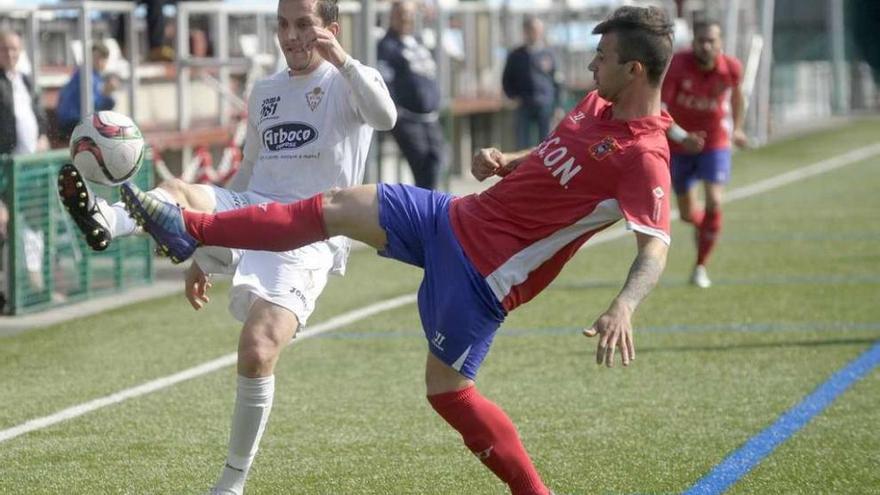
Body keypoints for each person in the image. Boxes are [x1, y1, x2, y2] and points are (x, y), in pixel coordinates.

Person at [122, 6, 674, 493]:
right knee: (333, 205)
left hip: (482, 277)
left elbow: (654, 248)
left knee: (447, 394)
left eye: (602, 58)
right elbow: (558, 149)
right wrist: (509, 159)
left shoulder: (644, 157)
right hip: (450, 217)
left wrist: (623, 305)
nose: (590, 66)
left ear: (635, 70)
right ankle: (189, 226)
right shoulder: (598, 106)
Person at [56, 0, 396, 492]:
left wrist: (342, 59)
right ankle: (107, 216)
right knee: (177, 193)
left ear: (331, 30)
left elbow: (385, 117)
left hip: (309, 234)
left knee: (258, 349)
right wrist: (203, 244)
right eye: (282, 24)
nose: (291, 36)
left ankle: (231, 483)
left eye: (304, 25)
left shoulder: (348, 81)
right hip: (252, 204)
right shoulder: (266, 91)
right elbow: (248, 173)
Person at [661, 18, 747, 288]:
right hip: (680, 145)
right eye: (702, 41)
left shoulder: (731, 68)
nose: (707, 46)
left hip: (715, 142)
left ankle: (700, 267)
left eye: (712, 41)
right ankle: (706, 227)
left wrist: (738, 129)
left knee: (714, 202)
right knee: (688, 215)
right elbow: (660, 110)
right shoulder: (677, 66)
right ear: (693, 43)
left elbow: (737, 97)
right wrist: (681, 136)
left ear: (720, 43)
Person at [0, 30, 50, 298]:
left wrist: (41, 134)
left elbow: (39, 114)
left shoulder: (26, 80)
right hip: (6, 169)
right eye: (5, 49)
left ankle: (34, 284)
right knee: (4, 225)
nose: (10, 54)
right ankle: (8, 290)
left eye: (14, 49)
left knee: (35, 223)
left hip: (30, 170)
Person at [377, 0, 445, 189]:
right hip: (407, 118)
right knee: (423, 165)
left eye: (409, 13)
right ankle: (423, 214)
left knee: (436, 160)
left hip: (430, 118)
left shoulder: (419, 41)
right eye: (401, 14)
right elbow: (384, 80)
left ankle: (431, 210)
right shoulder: (387, 46)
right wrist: (396, 112)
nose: (406, 18)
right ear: (392, 17)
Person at [502, 16, 561, 149]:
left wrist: (558, 105)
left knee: (546, 142)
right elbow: (506, 79)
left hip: (545, 103)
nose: (535, 33)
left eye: (537, 30)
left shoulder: (548, 54)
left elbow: (557, 80)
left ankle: (543, 169)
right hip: (524, 103)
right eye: (531, 30)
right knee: (522, 142)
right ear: (525, 31)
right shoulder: (516, 55)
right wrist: (512, 96)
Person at [56, 40, 120, 140]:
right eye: (96, 58)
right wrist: (106, 93)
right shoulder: (84, 75)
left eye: (102, 59)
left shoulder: (96, 77)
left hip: (81, 120)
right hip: (71, 122)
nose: (99, 62)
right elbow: (91, 106)